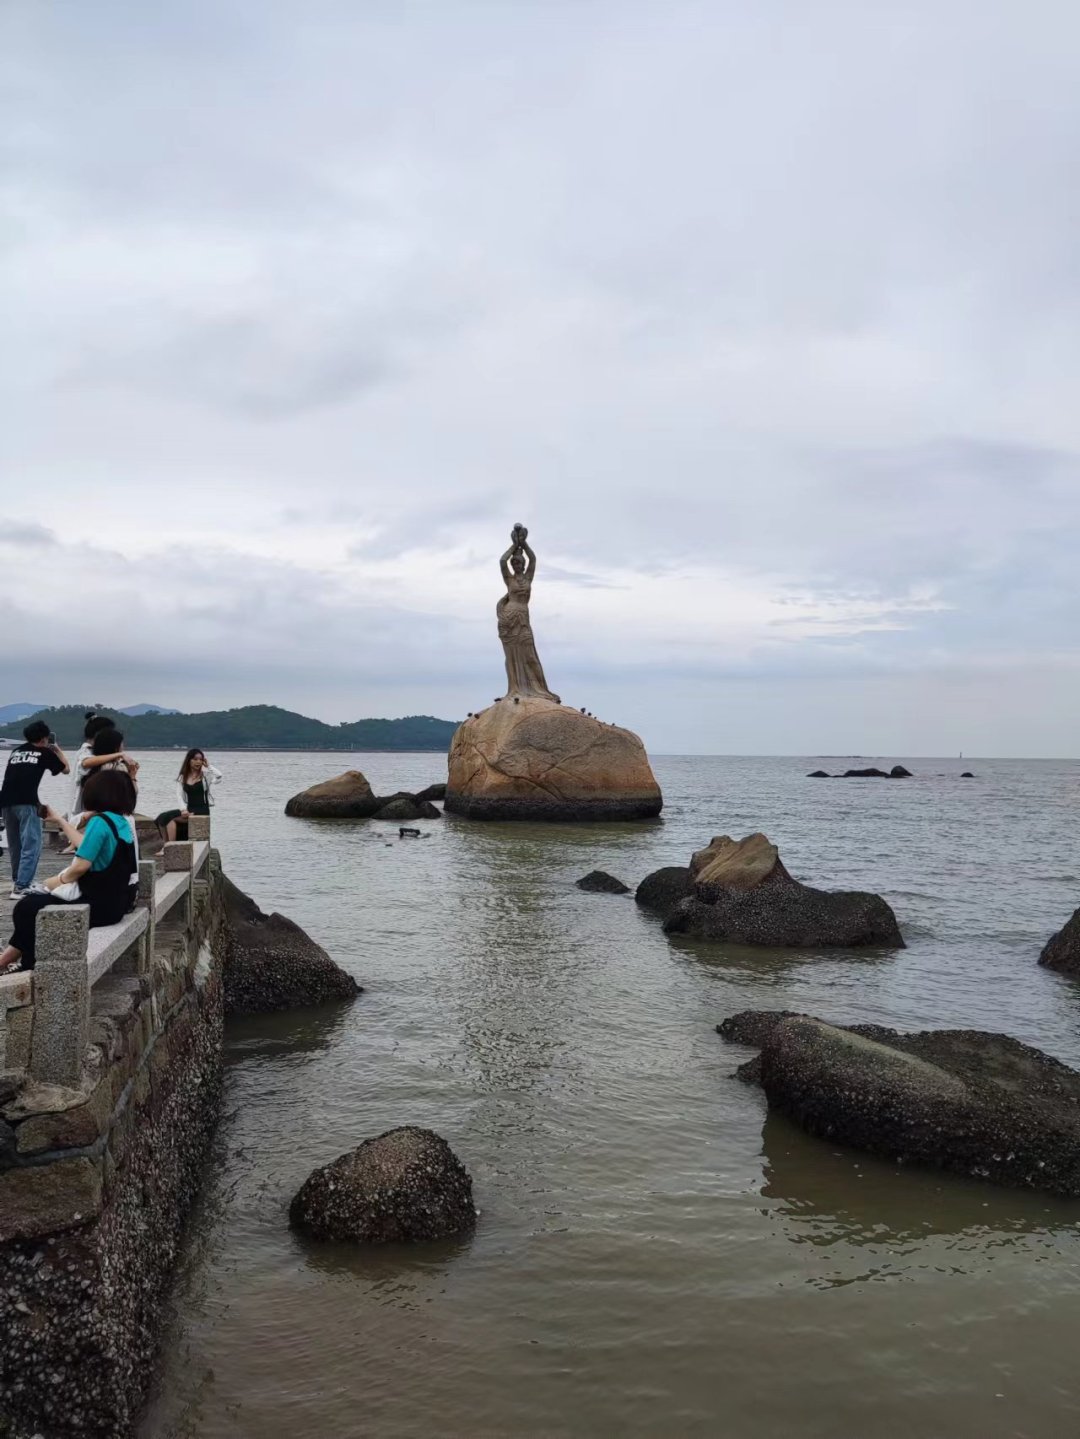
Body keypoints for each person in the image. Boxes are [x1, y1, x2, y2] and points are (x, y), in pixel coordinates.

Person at [0, 769, 138, 973]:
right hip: (116, 903)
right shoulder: (121, 821)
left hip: (97, 904)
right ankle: (8, 961)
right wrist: (59, 820)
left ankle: (28, 966)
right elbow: (86, 846)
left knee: (27, 908)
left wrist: (57, 880)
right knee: (33, 906)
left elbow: (81, 866)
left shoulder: (99, 822)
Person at [0, 720, 70, 899]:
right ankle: (22, 886)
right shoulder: (44, 752)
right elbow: (66, 769)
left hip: (5, 802)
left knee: (15, 845)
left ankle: (19, 881)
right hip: (27, 802)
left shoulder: (16, 751)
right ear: (44, 738)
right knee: (32, 844)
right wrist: (57, 749)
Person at [155, 749, 222, 841]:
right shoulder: (183, 777)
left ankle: (169, 846)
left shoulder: (206, 776)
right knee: (162, 817)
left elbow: (219, 776)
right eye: (195, 759)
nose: (198, 762)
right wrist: (183, 810)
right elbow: (179, 795)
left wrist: (209, 766)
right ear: (189, 760)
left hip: (202, 810)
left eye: (200, 759)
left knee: (169, 819)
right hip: (189, 808)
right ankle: (165, 846)